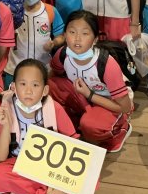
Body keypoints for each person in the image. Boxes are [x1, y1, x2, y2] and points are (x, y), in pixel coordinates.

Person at [0, 59, 90, 194]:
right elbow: (0, 158)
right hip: (21, 165)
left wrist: (62, 186)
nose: (28, 91)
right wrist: (6, 125)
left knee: (89, 174)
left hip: (54, 168)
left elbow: (75, 146)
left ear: (45, 90)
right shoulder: (5, 109)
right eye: (23, 84)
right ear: (13, 87)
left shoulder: (54, 108)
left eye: (35, 85)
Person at [48, 11, 133, 152]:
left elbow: (125, 107)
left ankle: (120, 130)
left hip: (113, 103)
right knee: (49, 86)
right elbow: (53, 76)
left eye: (85, 33)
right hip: (84, 97)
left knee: (90, 126)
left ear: (95, 40)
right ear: (64, 35)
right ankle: (77, 122)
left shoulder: (106, 64)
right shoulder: (62, 54)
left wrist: (90, 95)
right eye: (72, 32)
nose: (77, 39)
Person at [3, 0, 65, 90]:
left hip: (43, 69)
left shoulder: (50, 11)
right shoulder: (10, 11)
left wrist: (54, 42)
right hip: (13, 69)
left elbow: (61, 36)